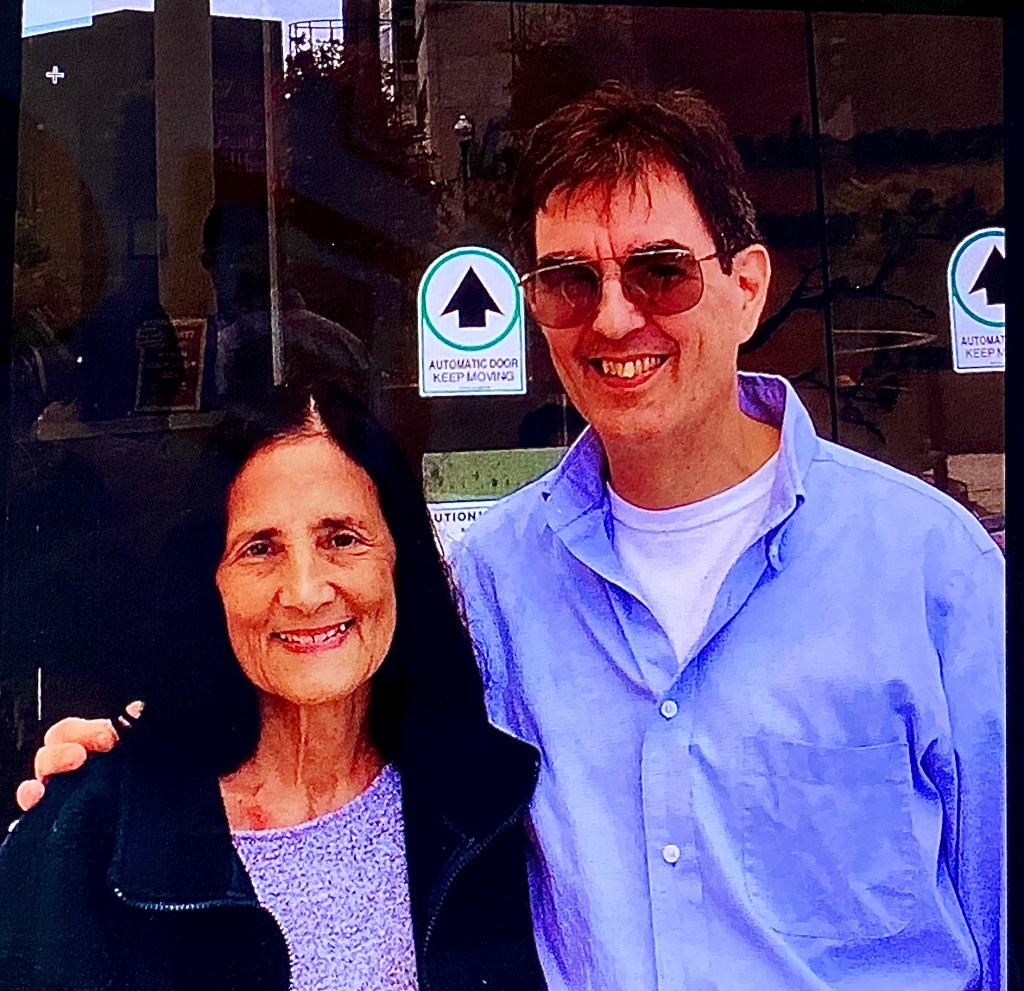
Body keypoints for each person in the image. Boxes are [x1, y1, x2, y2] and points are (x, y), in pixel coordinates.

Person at [19, 84, 1006, 991]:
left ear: (747, 286)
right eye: (571, 281)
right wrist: (130, 760)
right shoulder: (492, 577)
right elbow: (330, 698)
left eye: (659, 272)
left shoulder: (932, 570)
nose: (613, 318)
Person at [1, 382, 545, 991]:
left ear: (400, 559)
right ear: (212, 582)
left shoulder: (486, 804)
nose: (306, 592)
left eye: (341, 538)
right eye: (260, 549)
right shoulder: (92, 837)